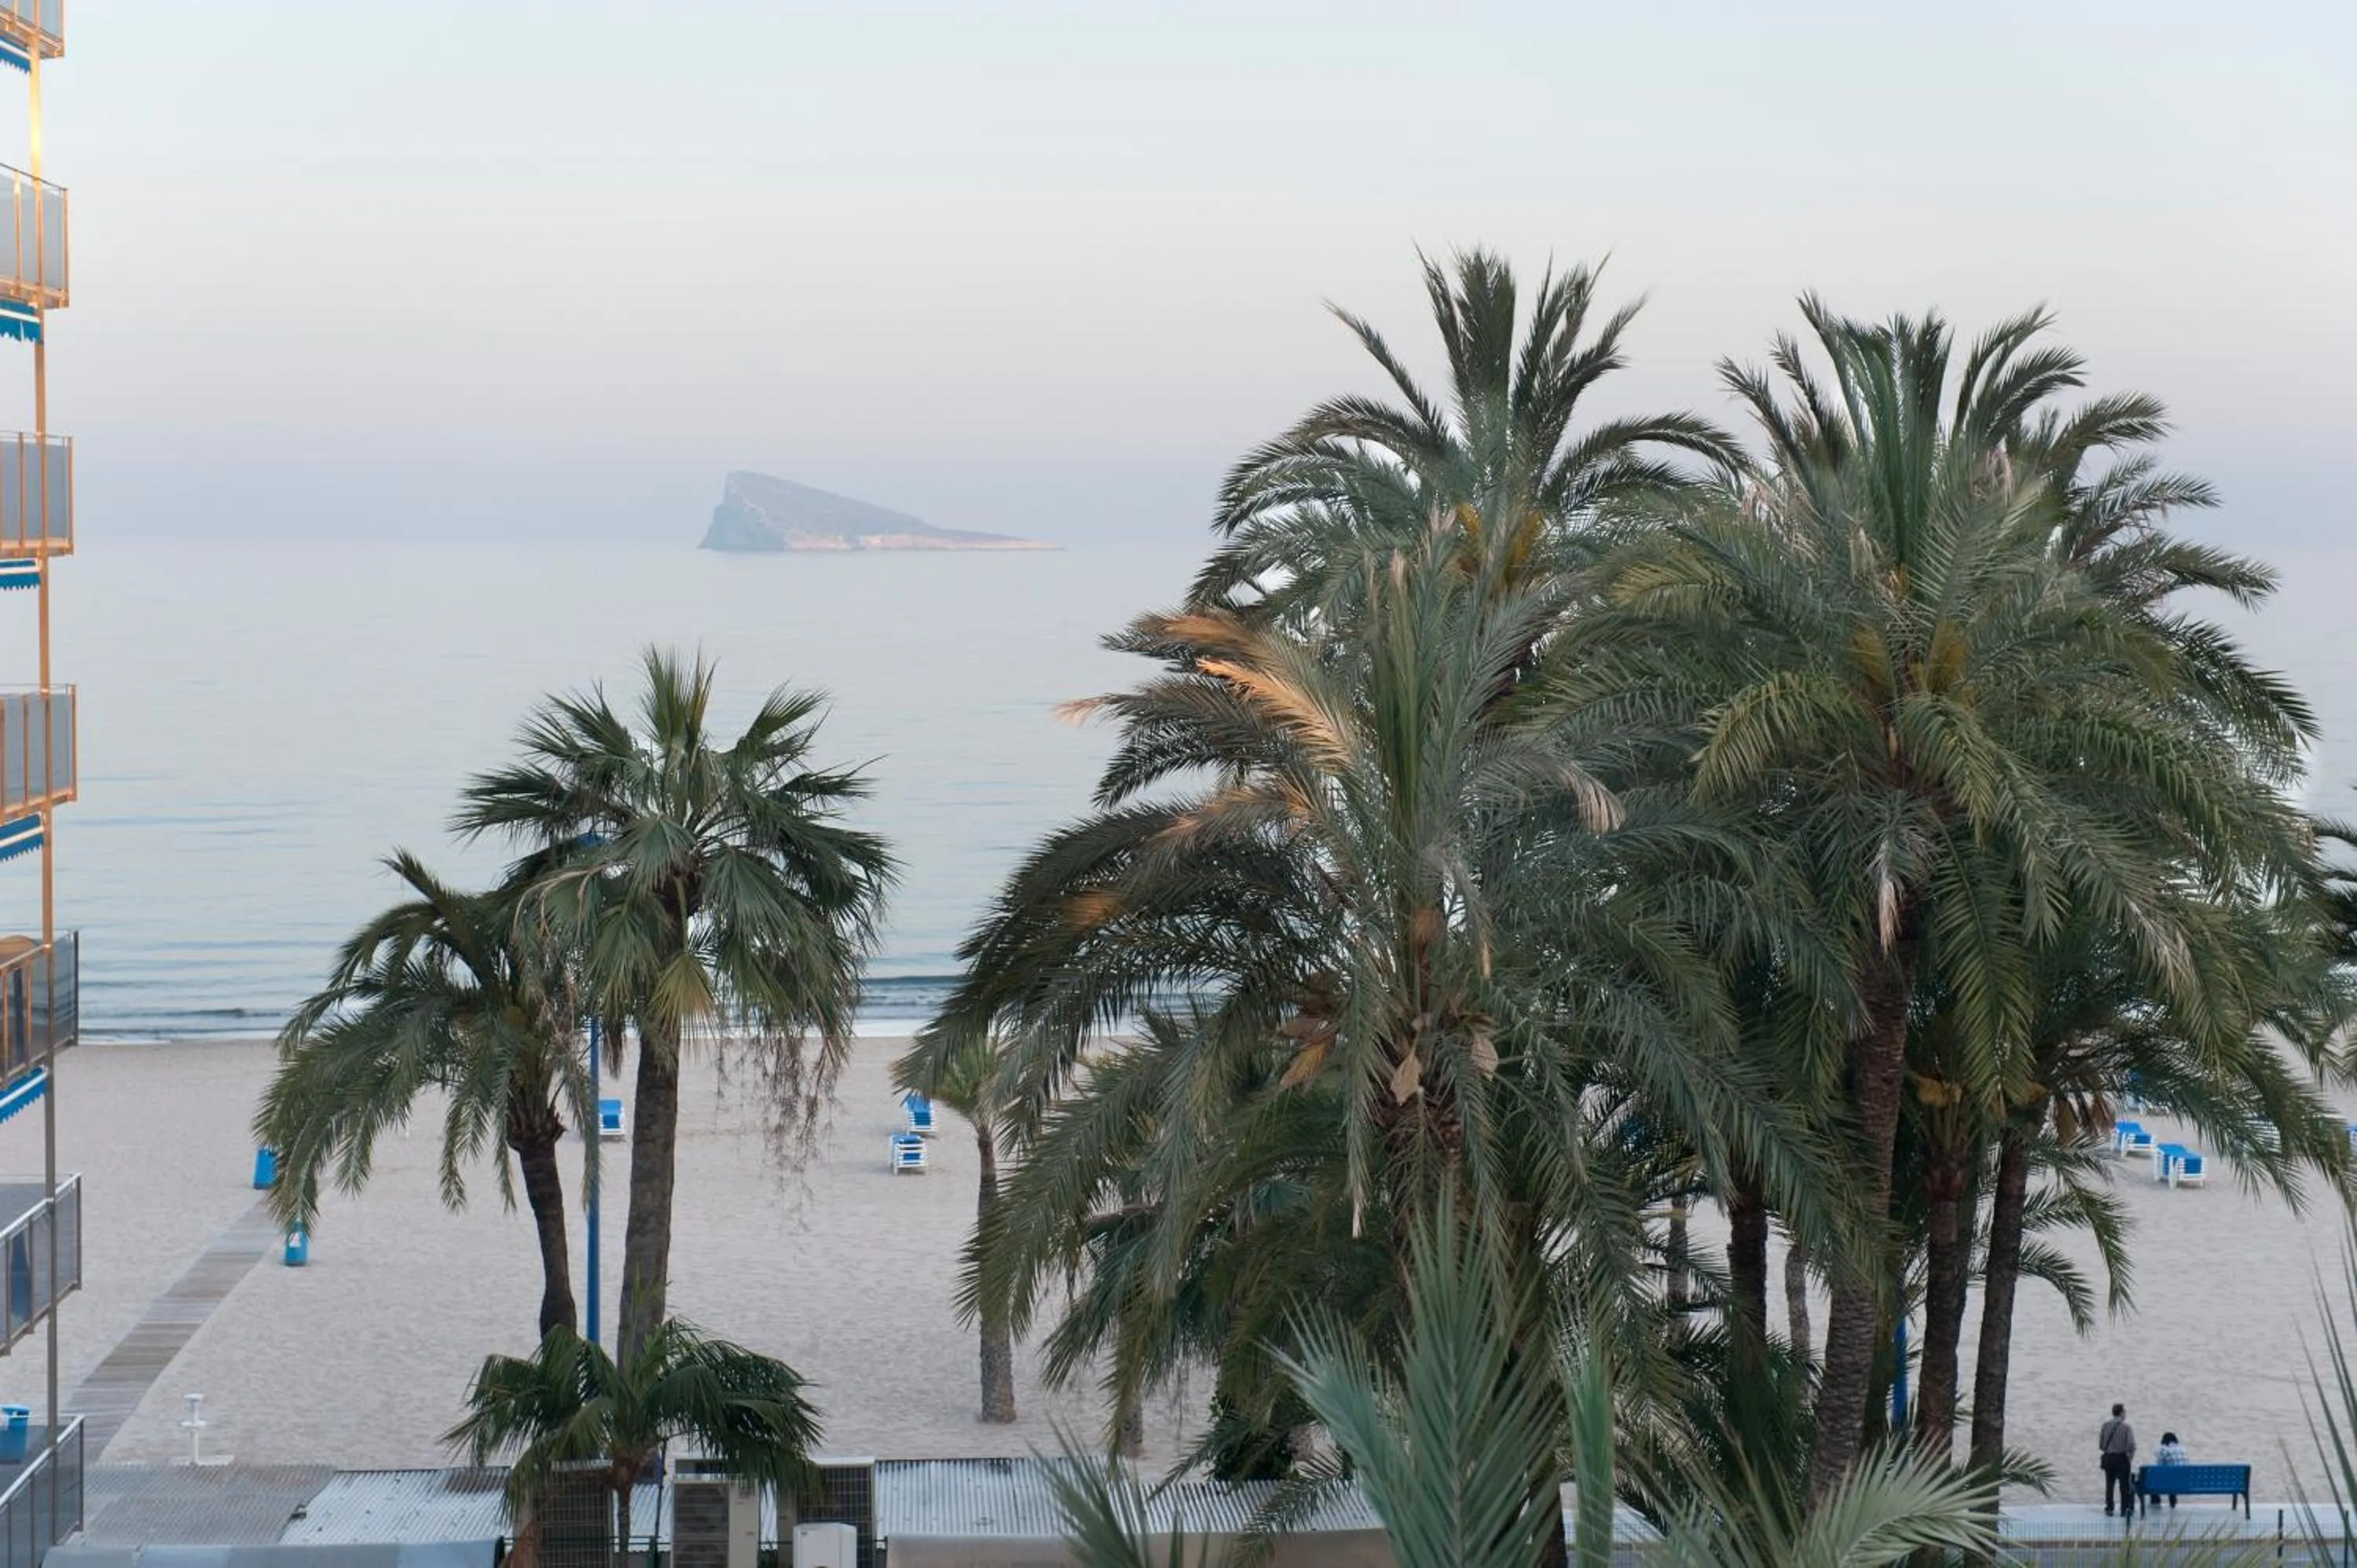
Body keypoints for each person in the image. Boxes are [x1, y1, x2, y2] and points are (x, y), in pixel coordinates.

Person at [2100, 1402, 2139, 1516]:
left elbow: (2101, 1445)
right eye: (2125, 1412)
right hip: (2122, 1457)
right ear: (2121, 1413)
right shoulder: (2127, 1427)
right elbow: (2131, 1445)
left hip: (2109, 1457)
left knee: (2109, 1484)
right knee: (2124, 1485)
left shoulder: (2105, 1425)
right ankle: (2124, 1508)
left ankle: (2109, 1507)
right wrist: (2129, 1458)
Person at [2155, 1431, 2190, 1508]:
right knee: (2173, 1476)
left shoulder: (2164, 1450)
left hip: (2171, 1481)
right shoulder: (2183, 1450)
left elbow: (2159, 1466)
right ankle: (2173, 1502)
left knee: (2154, 1482)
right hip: (2185, 1481)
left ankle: (2155, 1505)